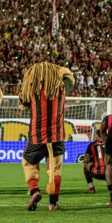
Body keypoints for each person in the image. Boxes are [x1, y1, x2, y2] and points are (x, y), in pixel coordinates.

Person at [19, 62, 75, 211]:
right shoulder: (62, 86)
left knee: (28, 163)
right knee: (55, 169)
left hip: (36, 136)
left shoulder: (31, 87)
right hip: (56, 135)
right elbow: (70, 76)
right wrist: (58, 70)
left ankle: (34, 190)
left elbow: (23, 102)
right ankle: (53, 203)